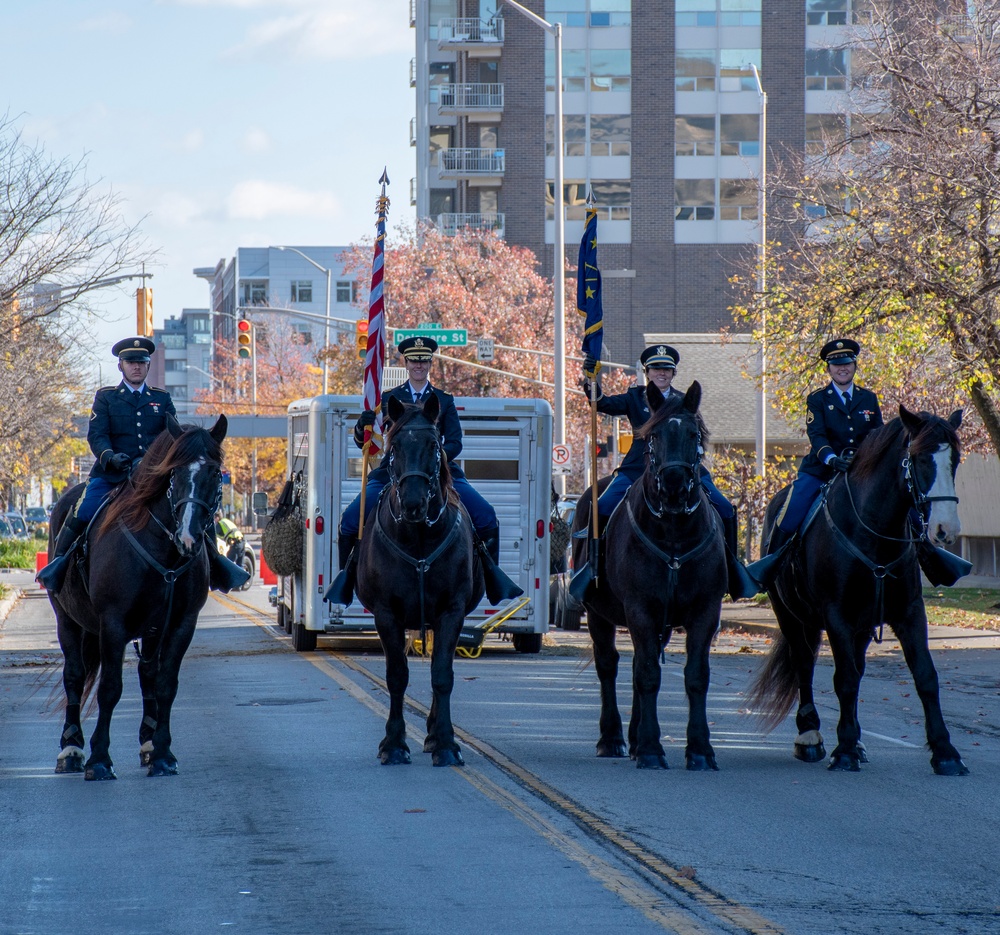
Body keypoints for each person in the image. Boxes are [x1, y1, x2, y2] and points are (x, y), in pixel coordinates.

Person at [37, 336, 247, 594]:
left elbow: (174, 437)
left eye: (141, 362)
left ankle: (217, 566)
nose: (136, 367)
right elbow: (97, 435)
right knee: (84, 509)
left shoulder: (161, 399)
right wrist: (109, 456)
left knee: (192, 507)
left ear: (148, 366)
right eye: (130, 362)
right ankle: (58, 566)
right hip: (112, 475)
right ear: (121, 366)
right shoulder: (106, 398)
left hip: (152, 477)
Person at [581, 344, 756, 600]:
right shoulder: (634, 397)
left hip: (682, 468)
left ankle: (731, 570)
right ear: (647, 372)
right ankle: (594, 570)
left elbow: (699, 437)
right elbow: (602, 403)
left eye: (667, 369)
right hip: (637, 468)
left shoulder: (685, 401)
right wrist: (590, 381)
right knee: (601, 506)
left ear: (673, 373)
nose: (661, 373)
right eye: (656, 369)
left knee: (725, 508)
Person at [337, 335, 501, 573]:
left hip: (439, 471)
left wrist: (432, 457)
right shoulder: (388, 399)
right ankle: (346, 580)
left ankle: (492, 579)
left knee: (487, 516)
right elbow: (366, 443)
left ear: (430, 363)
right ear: (405, 363)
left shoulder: (443, 400)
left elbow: (455, 442)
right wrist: (362, 426)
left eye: (424, 361)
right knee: (350, 520)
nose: (419, 366)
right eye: (414, 361)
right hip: (392, 472)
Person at [747, 338, 883, 589]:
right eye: (837, 365)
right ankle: (770, 567)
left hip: (863, 472)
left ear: (855, 365)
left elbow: (878, 435)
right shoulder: (818, 399)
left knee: (902, 505)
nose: (843, 369)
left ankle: (925, 552)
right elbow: (817, 435)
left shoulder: (869, 399)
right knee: (791, 512)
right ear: (828, 369)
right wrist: (832, 459)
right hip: (822, 469)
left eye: (847, 364)